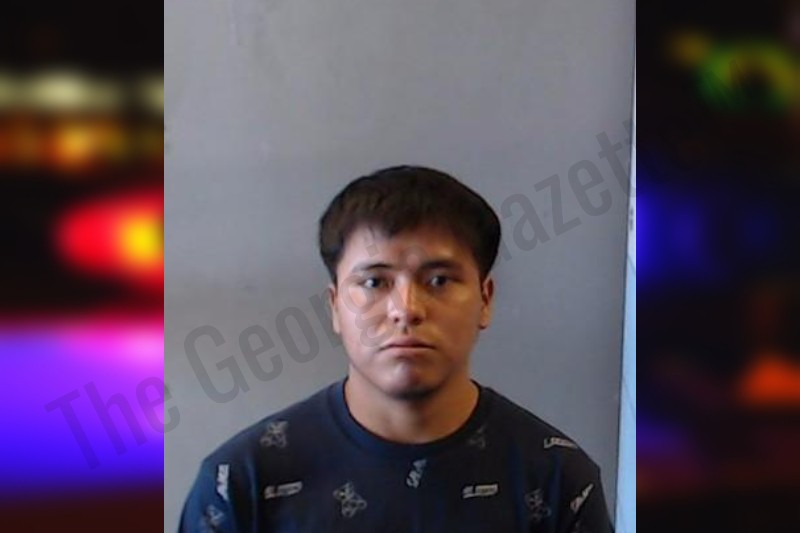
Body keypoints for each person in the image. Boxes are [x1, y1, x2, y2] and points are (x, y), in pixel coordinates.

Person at [179, 166, 614, 532]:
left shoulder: (556, 479)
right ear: (335, 307)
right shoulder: (243, 481)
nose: (406, 309)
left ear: (485, 300)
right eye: (374, 282)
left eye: (439, 280)